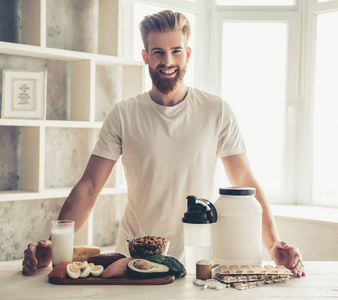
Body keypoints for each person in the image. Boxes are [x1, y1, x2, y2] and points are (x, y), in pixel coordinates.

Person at [22, 10, 305, 277]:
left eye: (176, 51)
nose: (167, 61)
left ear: (188, 54)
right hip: (132, 262)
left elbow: (245, 183)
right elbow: (89, 187)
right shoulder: (123, 114)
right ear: (145, 56)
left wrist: (273, 245)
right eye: (158, 52)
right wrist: (52, 246)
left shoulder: (216, 111)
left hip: (199, 261)